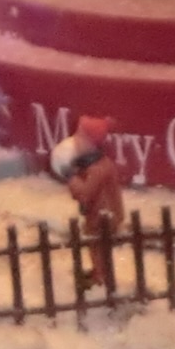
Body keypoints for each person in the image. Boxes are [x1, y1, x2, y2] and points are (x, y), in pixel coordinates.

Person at [49, 115, 124, 287]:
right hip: (97, 213)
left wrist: (71, 177)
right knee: (95, 246)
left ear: (91, 144)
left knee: (98, 246)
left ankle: (101, 276)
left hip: (104, 216)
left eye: (80, 138)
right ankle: (99, 271)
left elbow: (84, 194)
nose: (75, 141)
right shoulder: (93, 165)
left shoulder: (98, 169)